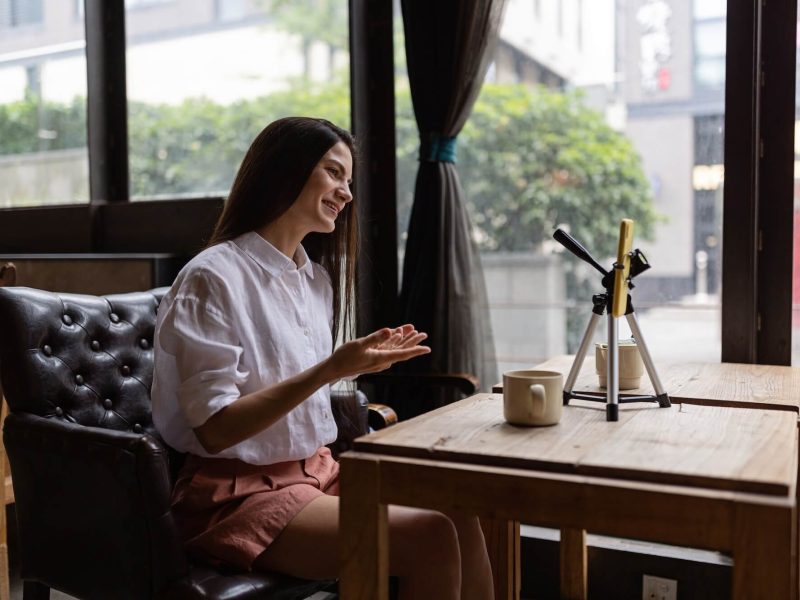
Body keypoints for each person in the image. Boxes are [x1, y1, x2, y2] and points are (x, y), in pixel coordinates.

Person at [151, 116, 494, 600]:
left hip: (320, 471)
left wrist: (350, 367)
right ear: (284, 171)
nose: (346, 193)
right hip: (237, 493)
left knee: (458, 506)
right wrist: (331, 369)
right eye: (334, 173)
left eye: (348, 180)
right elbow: (215, 428)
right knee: (429, 535)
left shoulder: (317, 281)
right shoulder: (213, 277)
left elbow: (305, 400)